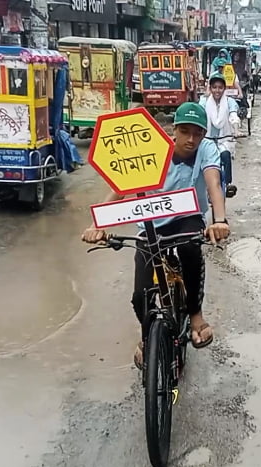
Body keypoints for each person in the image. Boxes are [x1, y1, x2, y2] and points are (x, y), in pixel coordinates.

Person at [81, 102, 231, 369]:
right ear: (175, 130)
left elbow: (213, 184)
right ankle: (146, 336)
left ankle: (195, 314)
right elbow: (121, 186)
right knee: (140, 294)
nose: (191, 139)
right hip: (151, 223)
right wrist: (98, 224)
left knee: (190, 250)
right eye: (185, 132)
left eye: (198, 133)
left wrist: (219, 221)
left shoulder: (207, 149)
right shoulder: (153, 148)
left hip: (188, 217)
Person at [200, 73, 241, 197]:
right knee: (201, 161)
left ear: (224, 89)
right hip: (206, 139)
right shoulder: (203, 101)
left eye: (220, 87)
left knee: (226, 155)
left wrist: (236, 130)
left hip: (225, 139)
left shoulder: (230, 102)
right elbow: (199, 117)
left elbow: (233, 116)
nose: (217, 90)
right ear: (210, 88)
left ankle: (228, 184)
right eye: (214, 87)